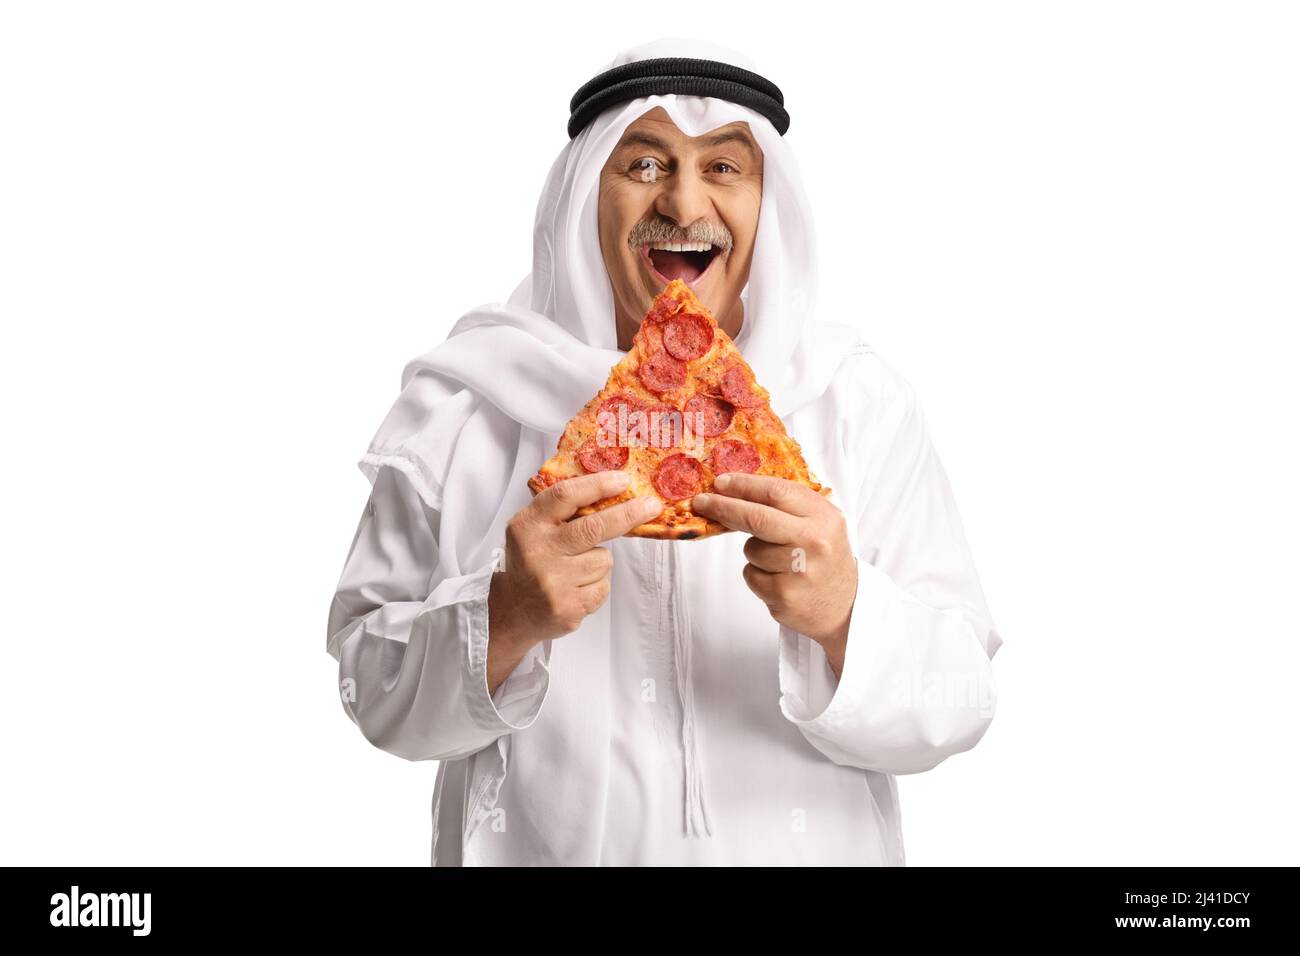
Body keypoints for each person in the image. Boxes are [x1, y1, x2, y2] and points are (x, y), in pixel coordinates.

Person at [326, 37, 1003, 866]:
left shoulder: (854, 400)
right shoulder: (466, 404)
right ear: (585, 196)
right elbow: (371, 691)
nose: (683, 202)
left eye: (724, 168)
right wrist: (501, 619)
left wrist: (845, 617)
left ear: (768, 202)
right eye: (643, 164)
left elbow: (964, 696)